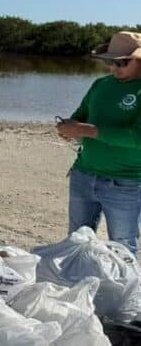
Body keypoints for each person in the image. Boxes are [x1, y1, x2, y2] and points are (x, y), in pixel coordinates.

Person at [57, 31, 141, 255]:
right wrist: (68, 128)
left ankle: (124, 280)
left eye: (120, 63)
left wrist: (87, 131)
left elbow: (137, 137)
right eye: (109, 62)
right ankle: (77, 278)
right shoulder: (100, 84)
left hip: (125, 182)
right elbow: (80, 115)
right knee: (76, 242)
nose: (113, 68)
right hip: (83, 175)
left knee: (123, 247)